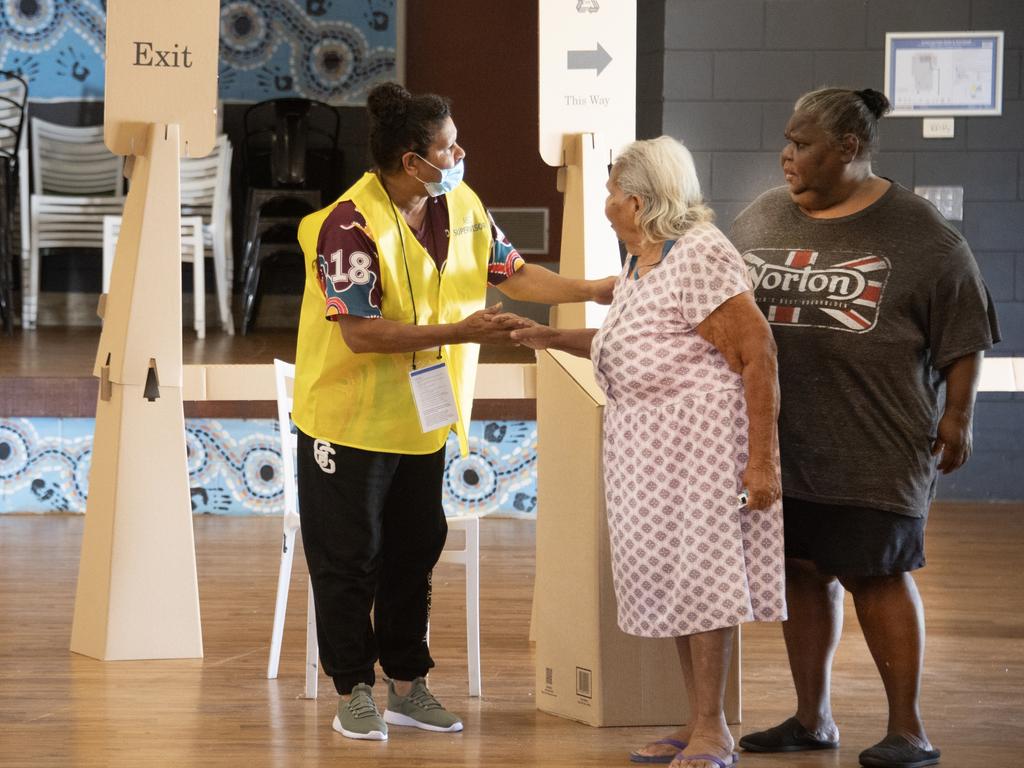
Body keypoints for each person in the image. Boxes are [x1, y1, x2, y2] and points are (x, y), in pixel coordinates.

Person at [290, 82, 613, 743]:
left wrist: (594, 289)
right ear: (412, 161)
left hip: (422, 421)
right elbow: (360, 332)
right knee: (349, 561)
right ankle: (353, 690)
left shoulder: (459, 202)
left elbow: (514, 274)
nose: (460, 153)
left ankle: (408, 687)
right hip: (347, 424)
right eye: (447, 146)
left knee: (414, 553)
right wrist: (462, 334)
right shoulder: (347, 226)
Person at [730, 87, 1000, 768]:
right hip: (784, 446)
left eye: (802, 144)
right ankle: (812, 718)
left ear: (848, 149)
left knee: (879, 575)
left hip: (876, 443)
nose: (786, 156)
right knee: (801, 573)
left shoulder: (923, 234)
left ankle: (909, 728)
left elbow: (966, 334)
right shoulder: (762, 218)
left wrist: (958, 416)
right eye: (787, 142)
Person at [512, 136, 786, 768]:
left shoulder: (701, 256)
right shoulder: (641, 262)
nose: (606, 202)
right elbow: (629, 343)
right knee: (672, 584)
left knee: (706, 582)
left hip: (701, 446)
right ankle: (695, 723)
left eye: (610, 191)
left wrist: (761, 462)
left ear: (635, 201)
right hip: (647, 450)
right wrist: (548, 336)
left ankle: (714, 730)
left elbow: (758, 354)